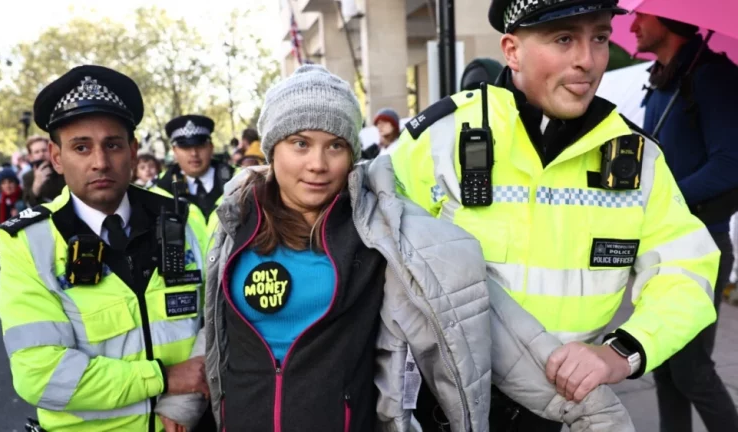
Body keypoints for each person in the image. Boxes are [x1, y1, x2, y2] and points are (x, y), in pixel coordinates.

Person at [188, 64, 635, 432]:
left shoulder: (387, 234)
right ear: (272, 149)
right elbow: (215, 330)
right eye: (299, 143)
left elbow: (485, 323)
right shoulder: (233, 223)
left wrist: (596, 414)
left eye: (336, 146)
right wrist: (179, 407)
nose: (318, 164)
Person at [390, 0, 720, 430]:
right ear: (511, 50)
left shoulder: (638, 160)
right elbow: (371, 253)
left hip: (562, 410)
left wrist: (622, 352)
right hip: (445, 409)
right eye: (564, 39)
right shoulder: (439, 139)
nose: (587, 60)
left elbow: (687, 269)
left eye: (599, 38)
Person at [0, 65, 213, 432]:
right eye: (81, 147)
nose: (100, 161)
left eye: (112, 144)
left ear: (132, 150)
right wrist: (161, 379)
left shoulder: (183, 217)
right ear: (56, 157)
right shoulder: (27, 242)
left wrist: (186, 400)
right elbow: (41, 374)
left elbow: (221, 317)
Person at [631, 12, 738, 432]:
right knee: (662, 364)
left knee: (692, 369)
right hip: (658, 246)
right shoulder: (662, 80)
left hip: (700, 245)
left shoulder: (710, 77)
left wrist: (668, 199)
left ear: (670, 19)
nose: (634, 23)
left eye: (642, 15)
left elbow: (731, 164)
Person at [153, 115, 235, 257]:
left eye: (200, 145)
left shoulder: (240, 182)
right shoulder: (158, 192)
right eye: (185, 147)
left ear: (211, 147)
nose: (194, 153)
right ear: (174, 150)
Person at [22, 135, 67, 207]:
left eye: (44, 150)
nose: (41, 154)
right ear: (31, 157)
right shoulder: (27, 177)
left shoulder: (63, 169)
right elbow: (28, 204)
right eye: (36, 152)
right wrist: (36, 185)